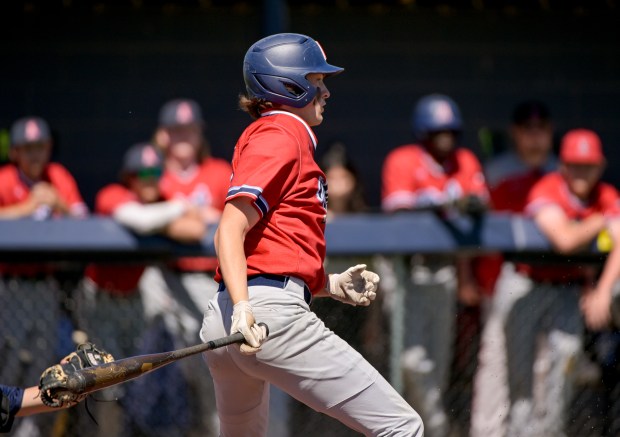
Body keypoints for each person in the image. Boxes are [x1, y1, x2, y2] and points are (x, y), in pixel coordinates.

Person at [199, 33, 423, 437]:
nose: (326, 91)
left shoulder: (276, 134)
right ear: (287, 84)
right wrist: (244, 307)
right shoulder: (281, 135)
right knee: (402, 427)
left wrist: (328, 283)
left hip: (232, 317)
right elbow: (230, 229)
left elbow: (269, 246)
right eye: (316, 80)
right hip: (261, 316)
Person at [495, 129, 620, 436]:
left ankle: (550, 432)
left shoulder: (605, 194)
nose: (581, 172)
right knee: (520, 375)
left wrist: (602, 290)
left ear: (600, 166)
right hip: (525, 285)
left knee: (566, 357)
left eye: (588, 165)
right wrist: (598, 220)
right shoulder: (547, 188)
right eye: (575, 165)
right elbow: (564, 240)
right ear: (562, 166)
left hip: (567, 288)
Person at [381, 93, 487, 437]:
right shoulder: (403, 159)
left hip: (445, 271)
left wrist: (464, 203)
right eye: (437, 131)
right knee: (409, 362)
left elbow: (479, 203)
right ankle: (434, 427)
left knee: (437, 367)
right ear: (423, 132)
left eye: (450, 132)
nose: (445, 138)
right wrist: (446, 201)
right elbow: (397, 208)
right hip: (406, 271)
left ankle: (424, 428)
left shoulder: (465, 160)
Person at [142, 99, 231, 436]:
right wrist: (189, 215)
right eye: (176, 130)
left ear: (200, 132)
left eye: (189, 129)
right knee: (168, 379)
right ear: (163, 135)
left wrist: (183, 215)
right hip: (164, 280)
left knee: (212, 372)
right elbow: (132, 206)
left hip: (208, 281)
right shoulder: (152, 171)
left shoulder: (218, 172)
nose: (183, 136)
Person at [470, 100, 557, 436]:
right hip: (505, 280)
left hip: (552, 284)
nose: (535, 137)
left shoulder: (563, 171)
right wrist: (474, 280)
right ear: (516, 133)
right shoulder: (496, 172)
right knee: (497, 365)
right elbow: (475, 236)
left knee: (543, 366)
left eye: (542, 129)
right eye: (528, 129)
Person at [0, 116, 88, 436]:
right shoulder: (6, 177)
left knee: (42, 362)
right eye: (28, 148)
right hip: (8, 286)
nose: (35, 155)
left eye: (40, 147)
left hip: (47, 284)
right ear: (16, 153)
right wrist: (26, 208)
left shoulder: (57, 177)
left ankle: (31, 432)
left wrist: (59, 204)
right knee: (7, 362)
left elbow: (84, 220)